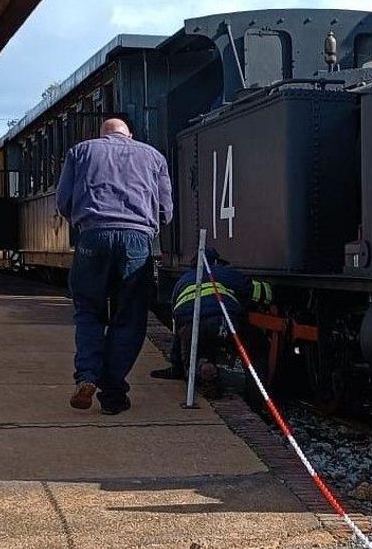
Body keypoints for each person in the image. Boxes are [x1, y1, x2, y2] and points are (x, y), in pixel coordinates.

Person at [56, 117, 173, 415]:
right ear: (129, 135)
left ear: (102, 135)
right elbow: (166, 210)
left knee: (89, 311)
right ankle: (113, 392)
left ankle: (87, 375)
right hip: (137, 239)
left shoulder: (80, 152)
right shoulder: (153, 156)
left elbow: (63, 202)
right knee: (130, 317)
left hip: (92, 236)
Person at [151, 246, 271, 383]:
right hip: (222, 321)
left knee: (195, 347)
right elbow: (257, 290)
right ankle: (255, 395)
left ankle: (202, 368)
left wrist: (176, 365)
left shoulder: (183, 280)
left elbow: (178, 326)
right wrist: (269, 295)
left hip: (190, 325)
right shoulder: (222, 272)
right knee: (256, 346)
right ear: (215, 262)